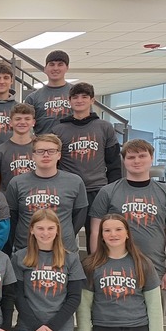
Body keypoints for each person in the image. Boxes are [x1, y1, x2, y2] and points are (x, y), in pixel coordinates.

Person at [90, 139, 166, 331]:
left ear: (151, 158)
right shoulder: (109, 192)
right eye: (131, 157)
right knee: (117, 321)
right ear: (124, 161)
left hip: (153, 269)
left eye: (141, 156)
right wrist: (97, 263)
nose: (136, 161)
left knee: (152, 321)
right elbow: (96, 230)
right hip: (114, 268)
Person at [6, 135, 93, 331]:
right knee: (30, 301)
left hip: (62, 253)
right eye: (40, 151)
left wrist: (62, 240)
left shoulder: (74, 181)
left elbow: (80, 214)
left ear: (59, 154)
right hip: (28, 252)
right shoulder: (18, 182)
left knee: (61, 304)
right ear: (32, 155)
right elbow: (12, 216)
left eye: (51, 151)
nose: (45, 155)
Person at [52, 82, 122, 250]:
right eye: (75, 97)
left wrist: (113, 190)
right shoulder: (58, 130)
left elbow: (113, 162)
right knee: (64, 236)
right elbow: (55, 164)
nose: (79, 100)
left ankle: (97, 266)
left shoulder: (105, 127)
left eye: (84, 97)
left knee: (97, 238)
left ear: (92, 100)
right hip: (69, 191)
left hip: (97, 190)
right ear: (69, 101)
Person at [0, 103, 36, 193]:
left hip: (35, 199)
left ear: (33, 122)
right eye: (18, 119)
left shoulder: (41, 150)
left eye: (27, 119)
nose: (22, 122)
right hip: (8, 200)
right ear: (10, 122)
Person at [24, 50, 73, 136]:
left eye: (60, 64)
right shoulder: (33, 98)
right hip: (43, 143)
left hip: (72, 142)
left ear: (67, 68)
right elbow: (25, 125)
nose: (55, 68)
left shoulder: (77, 94)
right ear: (45, 69)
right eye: (51, 64)